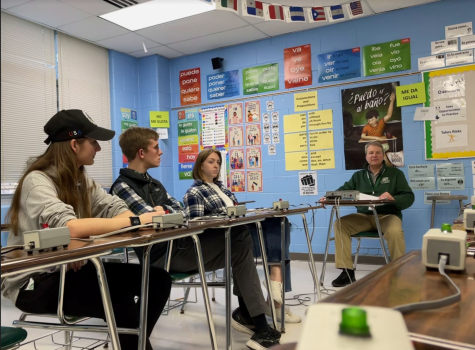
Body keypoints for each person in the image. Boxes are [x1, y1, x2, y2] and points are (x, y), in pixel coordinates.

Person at [1, 110, 171, 350]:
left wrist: (124, 221)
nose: (98, 149)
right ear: (74, 144)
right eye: (93, 142)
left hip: (69, 269)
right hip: (34, 281)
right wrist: (137, 221)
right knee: (119, 299)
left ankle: (135, 342)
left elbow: (115, 208)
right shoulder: (37, 181)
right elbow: (70, 228)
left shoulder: (80, 180)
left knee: (158, 280)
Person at [112, 128, 282, 350]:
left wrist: (161, 210)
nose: (161, 152)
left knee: (240, 245)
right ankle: (252, 318)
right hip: (160, 256)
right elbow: (152, 219)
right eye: (156, 147)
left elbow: (179, 211)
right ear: (142, 152)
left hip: (179, 246)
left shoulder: (154, 184)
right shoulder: (122, 186)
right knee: (240, 237)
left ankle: (256, 322)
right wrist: (162, 212)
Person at [184, 150, 301, 322]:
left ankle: (275, 291)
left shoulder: (222, 187)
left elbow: (237, 212)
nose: (216, 165)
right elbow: (196, 225)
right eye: (211, 162)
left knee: (280, 221)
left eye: (218, 162)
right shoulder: (194, 192)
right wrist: (224, 215)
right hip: (221, 240)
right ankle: (276, 299)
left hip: (238, 231)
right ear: (200, 165)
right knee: (277, 234)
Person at [320, 141, 414, 287]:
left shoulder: (396, 174)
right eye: (371, 153)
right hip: (364, 217)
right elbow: (342, 191)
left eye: (377, 152)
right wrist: (328, 198)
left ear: (383, 155)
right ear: (366, 156)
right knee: (340, 224)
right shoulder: (358, 176)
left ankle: (398, 270)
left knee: (395, 231)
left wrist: (394, 198)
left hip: (387, 216)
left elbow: (409, 196)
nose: (374, 155)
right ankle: (347, 272)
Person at [361, 92, 396, 166]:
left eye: (372, 119)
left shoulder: (380, 123)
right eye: (368, 120)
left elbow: (389, 115)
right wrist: (376, 138)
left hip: (383, 144)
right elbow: (363, 136)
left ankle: (389, 167)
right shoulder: (366, 127)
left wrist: (391, 101)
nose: (370, 122)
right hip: (372, 145)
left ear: (377, 118)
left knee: (382, 152)